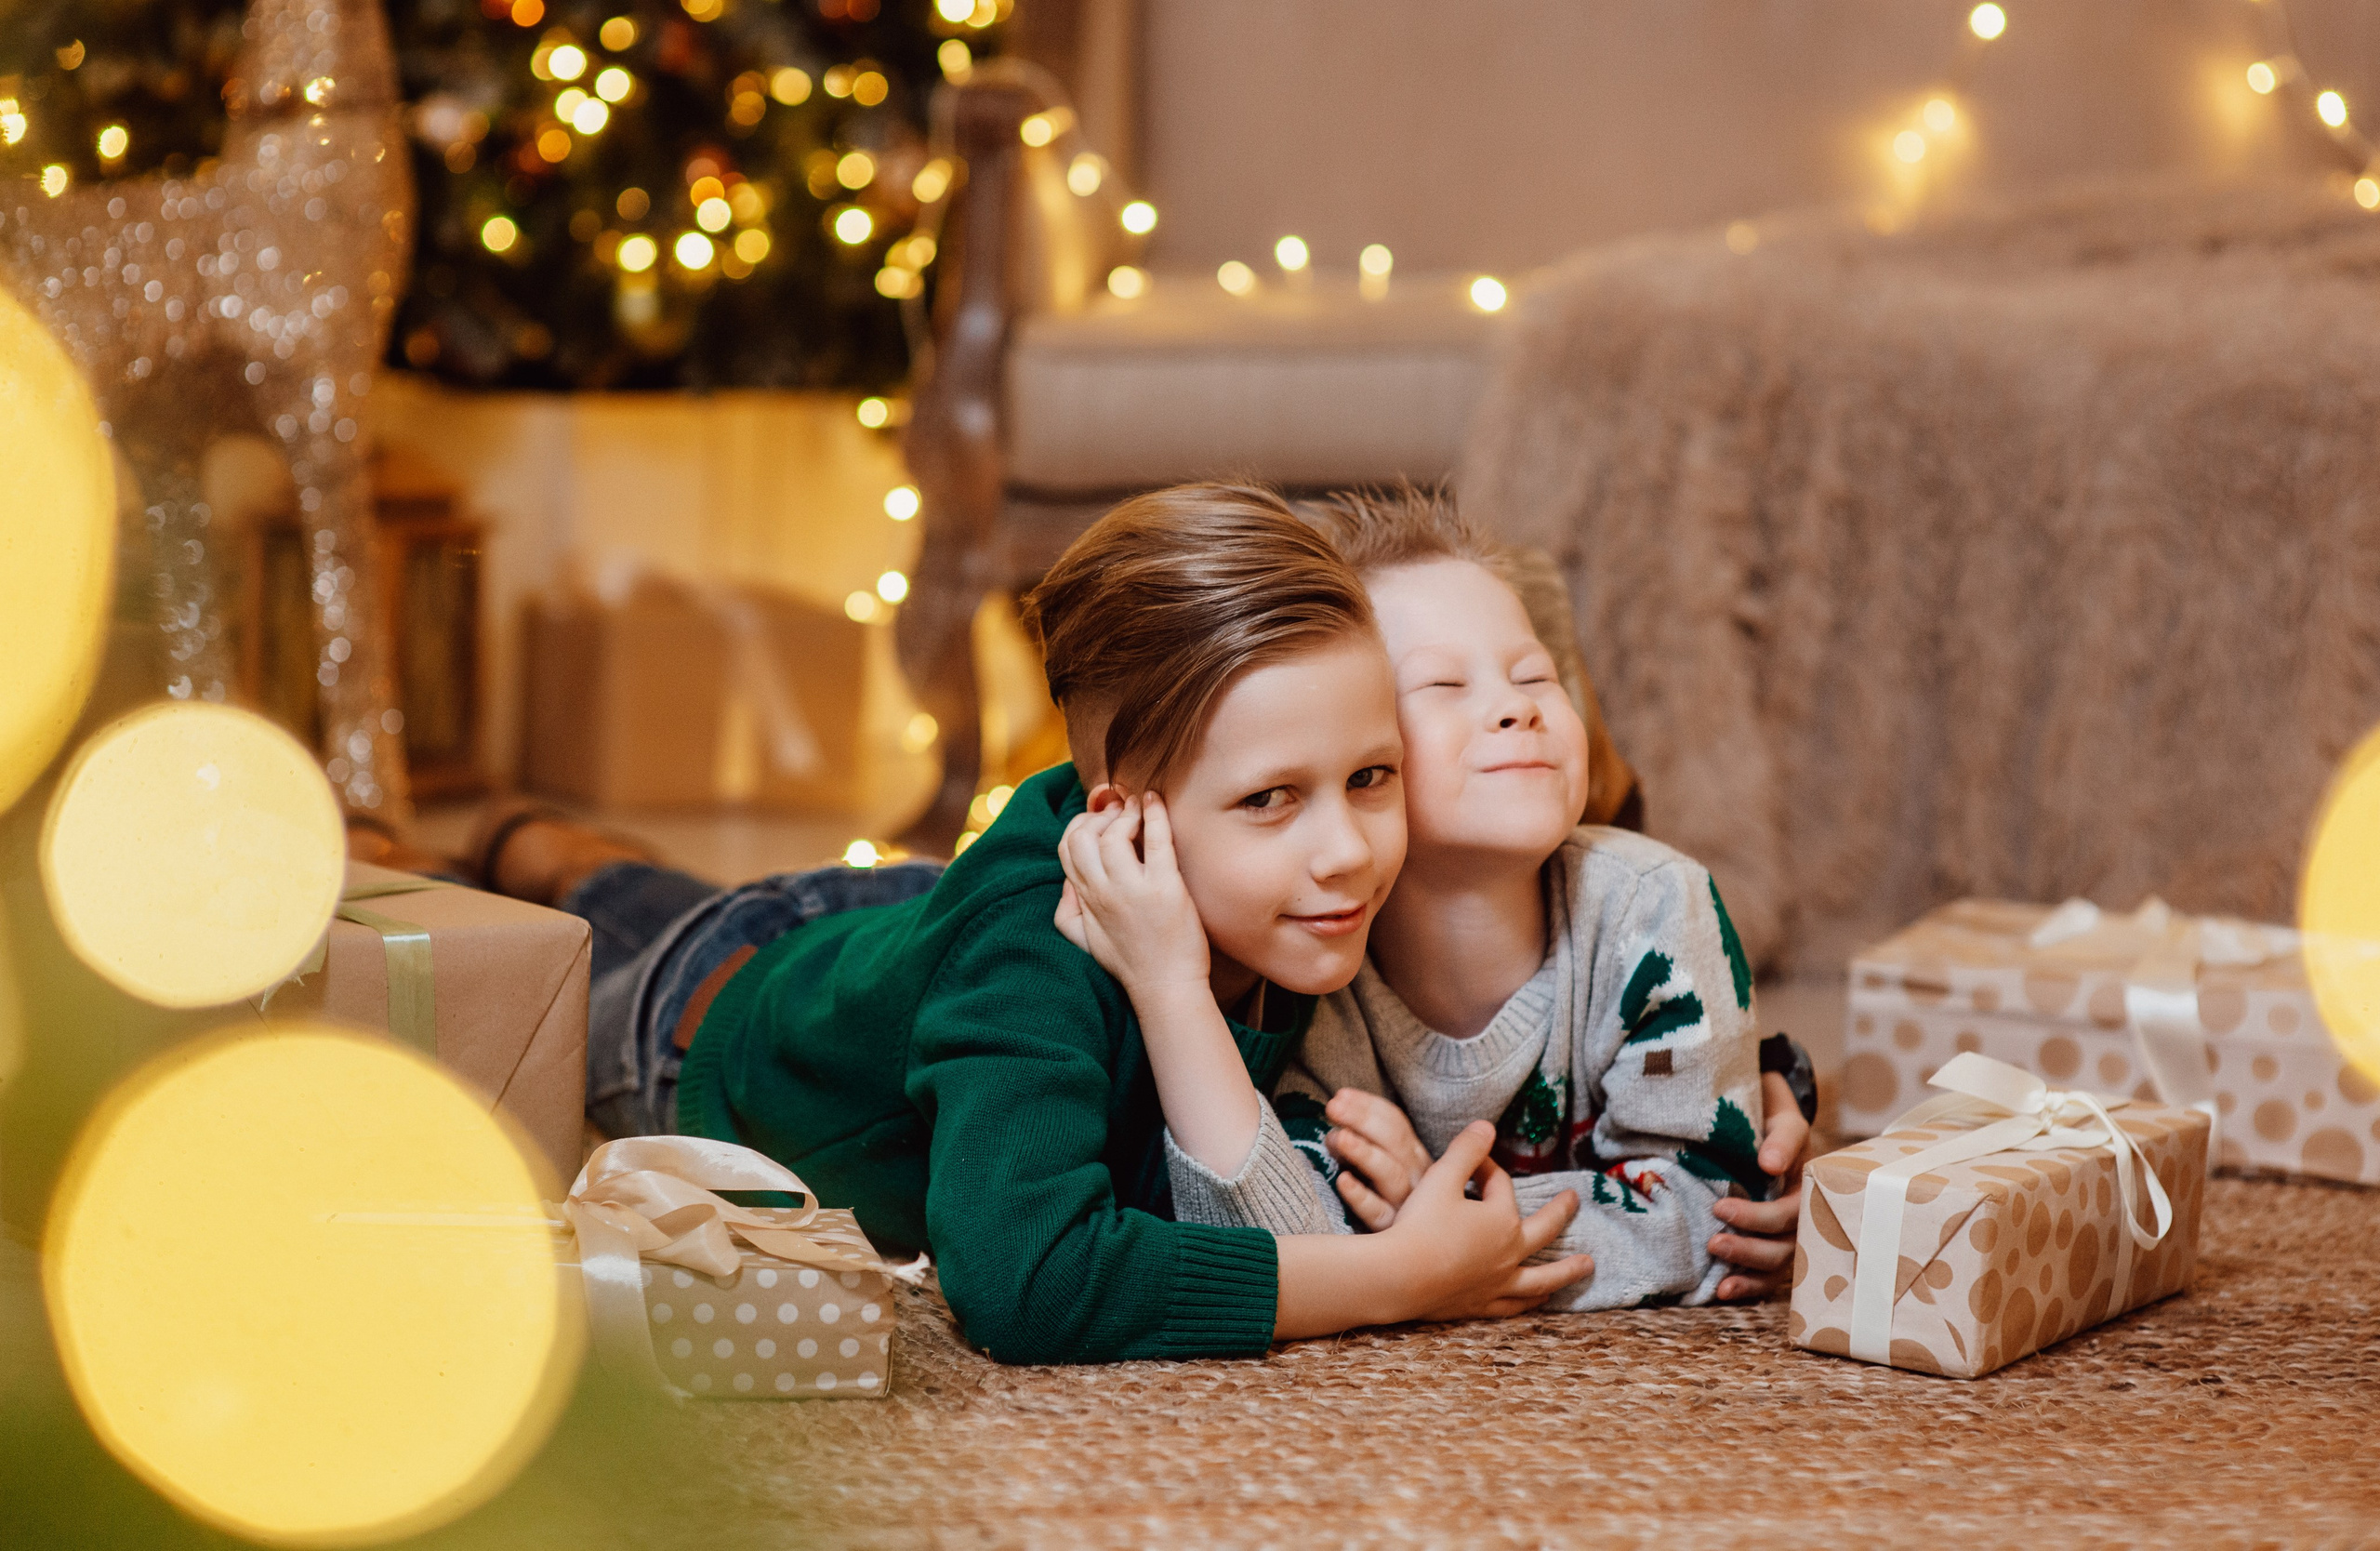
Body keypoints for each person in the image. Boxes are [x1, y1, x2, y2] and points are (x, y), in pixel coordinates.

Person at [480, 484, 1592, 1365]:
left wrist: (1761, 1087)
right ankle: (525, 844)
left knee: (711, 900)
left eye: (1371, 775)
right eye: (1270, 799)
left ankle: (561, 853)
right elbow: (1026, 1281)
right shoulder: (1027, 960)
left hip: (901, 917)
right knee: (537, 955)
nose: (1347, 849)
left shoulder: (1307, 881)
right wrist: (1400, 1280)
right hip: (716, 1014)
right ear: (1127, 821)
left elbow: (1584, 933)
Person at [1058, 487, 1812, 1308]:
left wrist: (1442, 1226)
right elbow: (1278, 1252)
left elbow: (1715, 1208)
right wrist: (1421, 1254)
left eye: (1535, 675)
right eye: (1444, 686)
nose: (1516, 707)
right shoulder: (1305, 955)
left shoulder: (1660, 906)